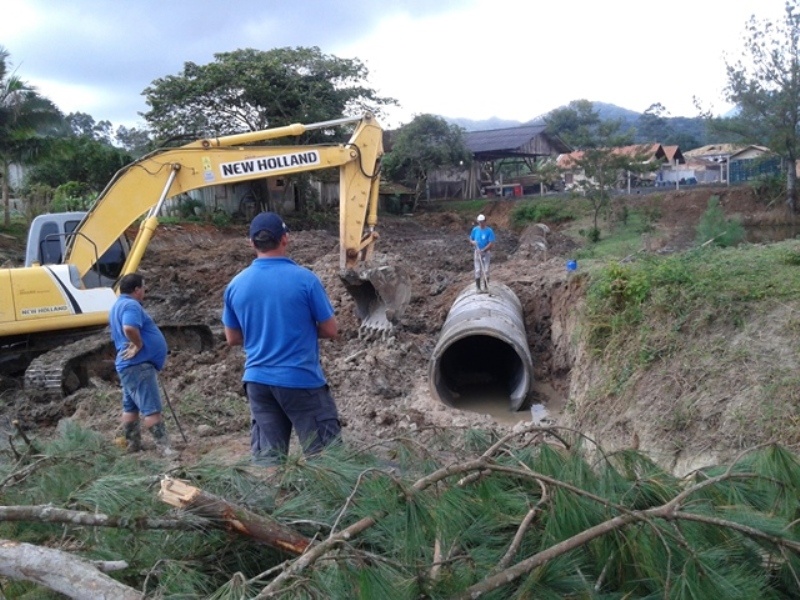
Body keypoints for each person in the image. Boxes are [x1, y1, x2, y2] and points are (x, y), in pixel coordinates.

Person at [222, 211, 341, 466]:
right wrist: (299, 331)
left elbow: (232, 338)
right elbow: (331, 330)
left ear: (251, 243)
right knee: (327, 458)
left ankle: (267, 505)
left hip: (257, 382)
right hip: (300, 380)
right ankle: (333, 505)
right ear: (285, 238)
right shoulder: (305, 280)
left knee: (268, 461)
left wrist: (262, 333)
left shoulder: (235, 285)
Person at [109, 273, 175, 456]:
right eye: (144, 288)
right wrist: (139, 345)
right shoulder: (131, 305)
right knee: (151, 407)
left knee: (130, 406)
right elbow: (129, 328)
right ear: (137, 289)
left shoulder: (117, 305)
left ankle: (133, 444)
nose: (145, 291)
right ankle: (165, 449)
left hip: (128, 366)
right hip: (138, 365)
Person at [469, 214, 496, 290]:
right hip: (477, 252)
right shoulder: (475, 230)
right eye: (479, 222)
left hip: (486, 252)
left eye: (482, 222)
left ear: (485, 221)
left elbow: (491, 243)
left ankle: (486, 287)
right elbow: (471, 239)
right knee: (477, 270)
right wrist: (473, 242)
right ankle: (478, 288)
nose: (481, 223)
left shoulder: (489, 231)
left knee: (486, 270)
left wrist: (483, 250)